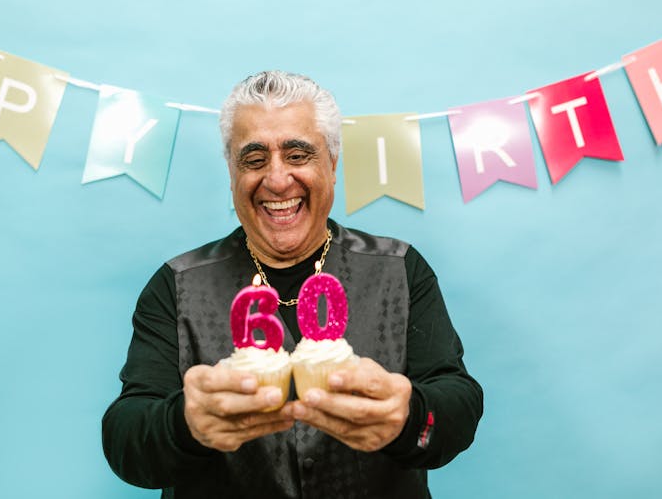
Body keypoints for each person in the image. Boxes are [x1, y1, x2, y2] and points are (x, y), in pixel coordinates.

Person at [102, 70, 483, 499]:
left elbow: (458, 403)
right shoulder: (175, 285)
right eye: (254, 159)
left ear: (332, 165)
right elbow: (125, 437)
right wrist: (183, 424)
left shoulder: (401, 269)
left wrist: (410, 416)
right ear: (232, 173)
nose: (278, 179)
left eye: (298, 155)